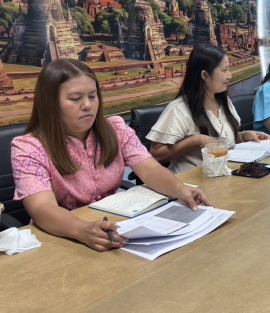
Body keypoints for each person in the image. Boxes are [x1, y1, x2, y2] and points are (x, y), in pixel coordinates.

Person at [11, 59, 213, 252]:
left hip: (116, 228)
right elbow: (42, 207)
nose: (87, 105)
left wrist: (179, 189)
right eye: (75, 99)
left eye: (92, 96)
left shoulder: (116, 129)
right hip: (63, 237)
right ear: (50, 103)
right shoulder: (28, 148)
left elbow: (150, 170)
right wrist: (81, 229)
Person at [148, 45, 270, 174]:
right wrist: (195, 140)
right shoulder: (178, 110)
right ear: (205, 75)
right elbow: (156, 154)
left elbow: (224, 141)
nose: (230, 75)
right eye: (224, 70)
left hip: (224, 174)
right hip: (192, 181)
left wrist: (244, 136)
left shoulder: (224, 101)